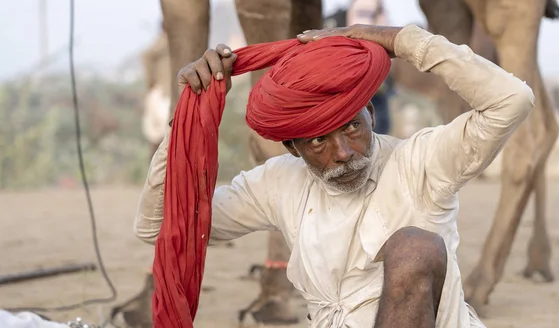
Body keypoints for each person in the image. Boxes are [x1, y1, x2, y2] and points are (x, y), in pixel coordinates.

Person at [134, 23, 534, 328]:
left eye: (353, 128)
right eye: (319, 141)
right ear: (293, 147)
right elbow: (162, 226)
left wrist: (396, 40)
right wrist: (186, 119)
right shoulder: (279, 182)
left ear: (371, 115)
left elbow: (512, 100)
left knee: (415, 247)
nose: (342, 153)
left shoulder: (423, 161)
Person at [346, 0, 395, 134]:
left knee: (380, 122)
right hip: (368, 68)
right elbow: (359, 32)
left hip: (375, 69)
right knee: (377, 123)